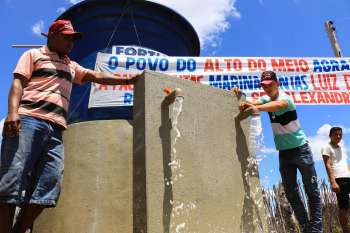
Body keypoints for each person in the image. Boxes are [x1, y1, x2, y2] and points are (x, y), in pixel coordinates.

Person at [0, 19, 139, 233]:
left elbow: (97, 75)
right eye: (67, 37)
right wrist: (12, 113)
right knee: (11, 179)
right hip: (29, 120)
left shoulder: (71, 65)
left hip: (56, 130)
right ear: (52, 35)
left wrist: (128, 79)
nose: (71, 43)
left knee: (49, 184)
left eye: (73, 39)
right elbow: (18, 83)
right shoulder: (33, 55)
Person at [235, 70, 322, 233]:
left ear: (277, 84)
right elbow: (255, 101)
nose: (267, 88)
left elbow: (277, 105)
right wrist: (240, 95)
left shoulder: (285, 98)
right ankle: (306, 228)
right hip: (284, 153)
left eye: (270, 85)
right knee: (290, 193)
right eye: (264, 86)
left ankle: (316, 229)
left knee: (312, 191)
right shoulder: (265, 99)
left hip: (301, 149)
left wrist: (254, 106)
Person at [322, 127, 350, 233]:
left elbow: (345, 163)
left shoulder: (342, 148)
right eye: (335, 134)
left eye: (340, 134)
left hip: (348, 177)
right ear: (330, 135)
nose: (338, 136)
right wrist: (333, 182)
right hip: (339, 179)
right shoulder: (326, 147)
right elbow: (327, 164)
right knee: (344, 207)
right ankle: (346, 231)